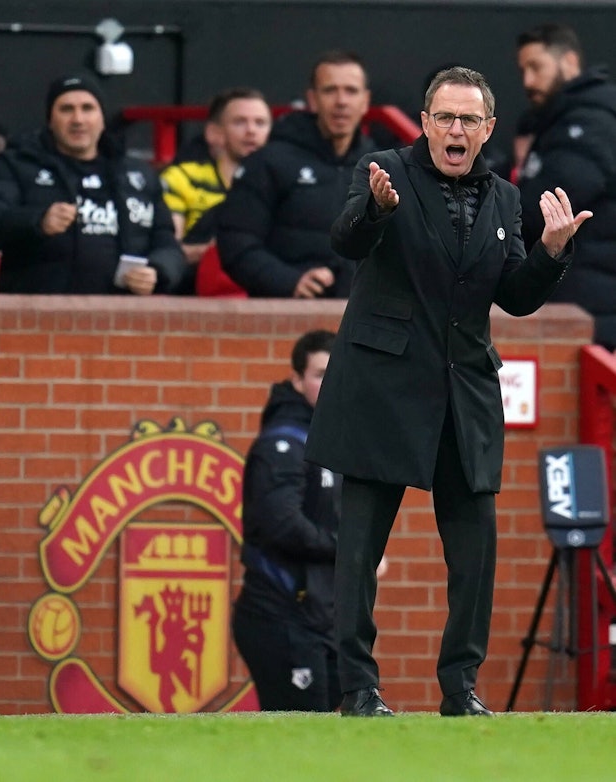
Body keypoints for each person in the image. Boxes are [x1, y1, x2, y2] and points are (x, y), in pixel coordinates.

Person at [305, 66, 591, 717]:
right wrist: (374, 210)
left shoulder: (502, 198)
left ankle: (459, 688)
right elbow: (346, 239)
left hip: (463, 394)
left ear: (487, 128)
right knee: (358, 550)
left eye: (468, 119)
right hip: (381, 387)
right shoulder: (382, 171)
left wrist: (549, 252)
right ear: (425, 121)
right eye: (443, 117)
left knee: (474, 554)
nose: (454, 129)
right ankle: (358, 688)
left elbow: (513, 297)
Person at [0, 74, 185, 295]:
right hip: (41, 314)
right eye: (66, 109)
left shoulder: (138, 174)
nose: (78, 119)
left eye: (88, 108)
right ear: (50, 120)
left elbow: (168, 244)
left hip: (120, 318)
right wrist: (37, 221)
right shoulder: (16, 165)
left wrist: (157, 271)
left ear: (102, 118)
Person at [231, 330, 343, 711]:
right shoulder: (283, 443)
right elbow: (283, 525)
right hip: (280, 615)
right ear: (297, 380)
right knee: (300, 738)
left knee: (331, 737)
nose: (329, 384)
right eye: (319, 374)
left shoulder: (330, 439)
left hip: (320, 618)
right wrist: (351, 551)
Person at [217, 50, 375, 299]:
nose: (341, 101)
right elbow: (235, 241)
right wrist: (290, 282)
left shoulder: (380, 166)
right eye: (330, 90)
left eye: (351, 91)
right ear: (312, 99)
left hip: (361, 318)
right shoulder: (269, 161)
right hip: (284, 316)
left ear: (365, 101)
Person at [514, 23, 616, 349]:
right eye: (523, 70)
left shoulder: (590, 121)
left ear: (569, 61)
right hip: (581, 301)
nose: (528, 81)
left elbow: (542, 209)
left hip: (593, 313)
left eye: (536, 67)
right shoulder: (562, 120)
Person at [160, 87, 272, 294]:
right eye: (239, 122)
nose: (251, 131)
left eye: (260, 123)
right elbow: (168, 251)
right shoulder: (182, 178)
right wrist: (222, 251)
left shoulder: (282, 184)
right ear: (214, 133)